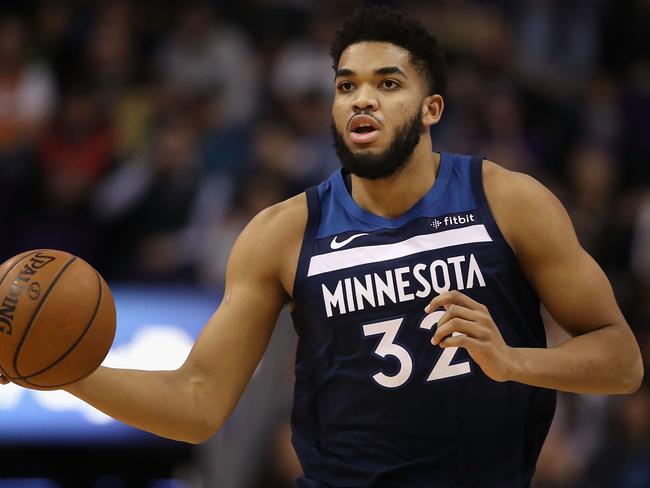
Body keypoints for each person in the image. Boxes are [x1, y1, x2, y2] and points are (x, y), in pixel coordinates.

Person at [1, 7, 644, 487]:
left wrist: (514, 362)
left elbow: (622, 361)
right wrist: (68, 371)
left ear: (432, 107)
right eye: (346, 84)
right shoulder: (281, 232)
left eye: (388, 84)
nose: (362, 97)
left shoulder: (506, 200)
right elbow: (196, 402)